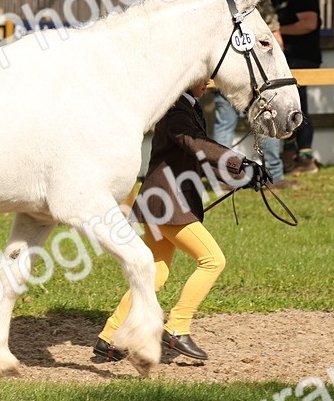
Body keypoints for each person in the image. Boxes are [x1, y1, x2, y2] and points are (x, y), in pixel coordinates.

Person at [94, 77, 260, 363]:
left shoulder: (188, 106)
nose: (208, 83)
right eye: (201, 77)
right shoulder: (175, 109)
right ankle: (177, 327)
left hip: (163, 202)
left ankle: (109, 337)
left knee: (155, 273)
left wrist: (242, 174)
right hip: (169, 204)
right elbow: (196, 144)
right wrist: (239, 165)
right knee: (212, 261)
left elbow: (199, 154)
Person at [210, 0, 290, 187]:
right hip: (257, 73)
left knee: (224, 124)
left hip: (224, 70)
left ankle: (223, 178)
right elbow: (274, 34)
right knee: (267, 119)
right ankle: (273, 175)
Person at [268, 0, 322, 174]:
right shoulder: (275, 1)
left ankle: (305, 157)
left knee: (300, 106)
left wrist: (279, 30)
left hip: (303, 59)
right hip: (286, 60)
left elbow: (309, 24)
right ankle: (290, 151)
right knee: (286, 105)